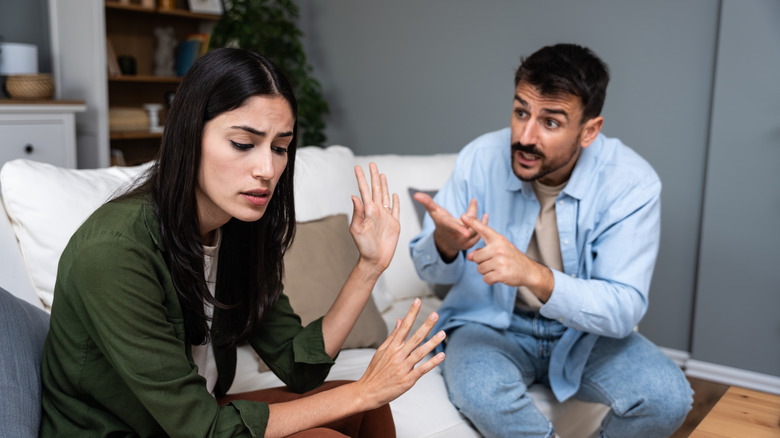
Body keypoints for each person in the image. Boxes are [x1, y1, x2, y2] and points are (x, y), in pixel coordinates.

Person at [40, 48, 446, 438]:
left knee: (369, 408)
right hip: (132, 430)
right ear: (189, 135)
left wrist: (369, 266)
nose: (267, 169)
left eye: (281, 148)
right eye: (242, 144)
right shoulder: (114, 251)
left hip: (197, 418)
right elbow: (201, 430)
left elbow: (297, 365)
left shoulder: (238, 229)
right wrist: (364, 389)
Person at [410, 43, 692, 438]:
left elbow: (624, 308)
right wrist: (445, 242)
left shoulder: (631, 184)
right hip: (492, 325)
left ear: (589, 130)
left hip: (584, 335)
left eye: (551, 122)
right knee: (481, 391)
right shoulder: (479, 158)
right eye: (521, 112)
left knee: (666, 398)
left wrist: (535, 276)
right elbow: (426, 267)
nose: (525, 136)